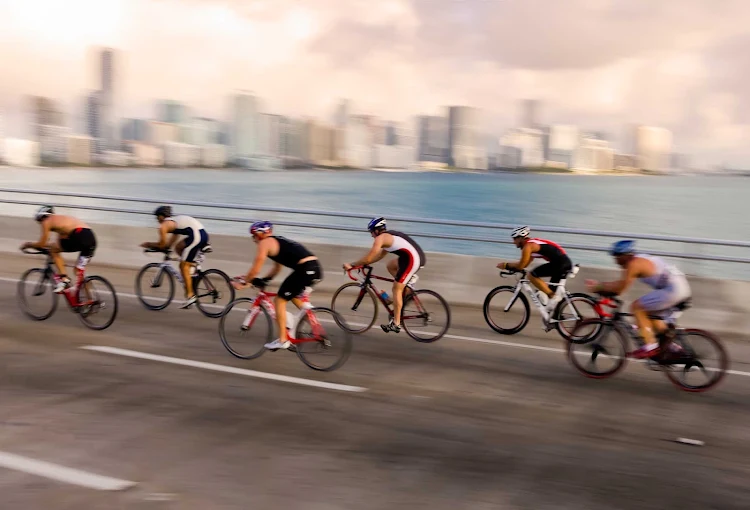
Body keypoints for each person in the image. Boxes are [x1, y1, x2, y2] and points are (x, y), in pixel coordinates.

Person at [586, 240, 692, 359]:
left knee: (637, 307)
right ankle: (673, 348)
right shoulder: (638, 260)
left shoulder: (634, 264)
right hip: (679, 286)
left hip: (673, 289)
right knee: (654, 319)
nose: (615, 260)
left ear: (625, 255)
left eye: (616, 257)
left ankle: (651, 346)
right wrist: (602, 286)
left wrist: (598, 286)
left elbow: (620, 289)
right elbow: (621, 283)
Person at [232, 221, 323, 351]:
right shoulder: (277, 242)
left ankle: (283, 340)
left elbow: (255, 269)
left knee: (279, 300)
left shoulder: (265, 243)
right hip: (315, 268)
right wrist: (265, 280)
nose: (253, 239)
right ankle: (316, 327)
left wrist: (244, 282)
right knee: (293, 296)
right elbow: (277, 268)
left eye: (253, 235)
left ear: (260, 234)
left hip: (304, 269)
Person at [343, 217, 425, 334]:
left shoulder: (381, 239)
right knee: (390, 266)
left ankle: (396, 324)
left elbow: (370, 257)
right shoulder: (387, 238)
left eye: (371, 232)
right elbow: (379, 256)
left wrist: (352, 265)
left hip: (412, 259)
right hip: (409, 257)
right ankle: (406, 288)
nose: (371, 235)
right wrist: (365, 263)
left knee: (396, 288)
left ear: (376, 230)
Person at [140, 205, 210, 309]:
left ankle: (190, 296)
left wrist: (149, 244)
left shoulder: (164, 226)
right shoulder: (173, 223)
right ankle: (191, 267)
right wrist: (165, 247)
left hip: (196, 236)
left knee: (183, 266)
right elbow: (168, 245)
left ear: (161, 216)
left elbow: (162, 245)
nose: (156, 219)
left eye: (157, 217)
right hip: (202, 234)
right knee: (178, 248)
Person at [21, 205, 97, 293]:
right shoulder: (62, 221)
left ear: (42, 217)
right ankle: (91, 300)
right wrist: (48, 246)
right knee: (78, 271)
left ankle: (64, 279)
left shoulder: (47, 221)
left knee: (54, 250)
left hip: (77, 235)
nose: (41, 224)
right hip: (90, 238)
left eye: (40, 221)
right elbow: (55, 244)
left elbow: (41, 244)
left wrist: (28, 245)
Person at [497, 226, 573, 313]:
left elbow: (521, 266)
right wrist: (511, 267)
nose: (513, 242)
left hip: (561, 264)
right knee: (550, 297)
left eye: (514, 239)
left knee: (532, 275)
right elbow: (524, 264)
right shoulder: (531, 245)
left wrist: (506, 265)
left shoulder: (528, 247)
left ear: (521, 238)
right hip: (561, 263)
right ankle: (555, 318)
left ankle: (553, 296)